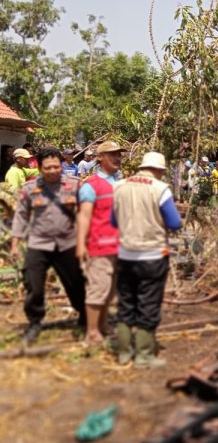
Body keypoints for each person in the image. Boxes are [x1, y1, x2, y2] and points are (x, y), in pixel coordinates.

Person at [111, 152, 182, 368]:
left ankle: (124, 353)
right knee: (148, 305)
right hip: (152, 256)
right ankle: (144, 356)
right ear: (159, 170)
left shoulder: (119, 186)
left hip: (125, 255)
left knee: (125, 304)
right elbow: (175, 222)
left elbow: (113, 221)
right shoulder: (160, 189)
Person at [10, 147, 86, 344]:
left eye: (56, 167)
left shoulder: (74, 185)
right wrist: (15, 244)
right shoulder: (30, 188)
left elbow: (85, 214)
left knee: (75, 283)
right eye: (48, 168)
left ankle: (85, 316)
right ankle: (34, 322)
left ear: (61, 165)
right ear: (40, 168)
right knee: (33, 283)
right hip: (39, 243)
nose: (53, 171)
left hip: (67, 243)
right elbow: (21, 216)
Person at [75, 141, 124, 346]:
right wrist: (80, 245)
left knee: (110, 291)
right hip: (99, 246)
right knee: (98, 289)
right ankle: (92, 333)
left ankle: (102, 325)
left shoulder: (120, 182)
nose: (117, 158)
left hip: (119, 246)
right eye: (112, 154)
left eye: (119, 154)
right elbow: (84, 216)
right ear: (100, 158)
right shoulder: (91, 185)